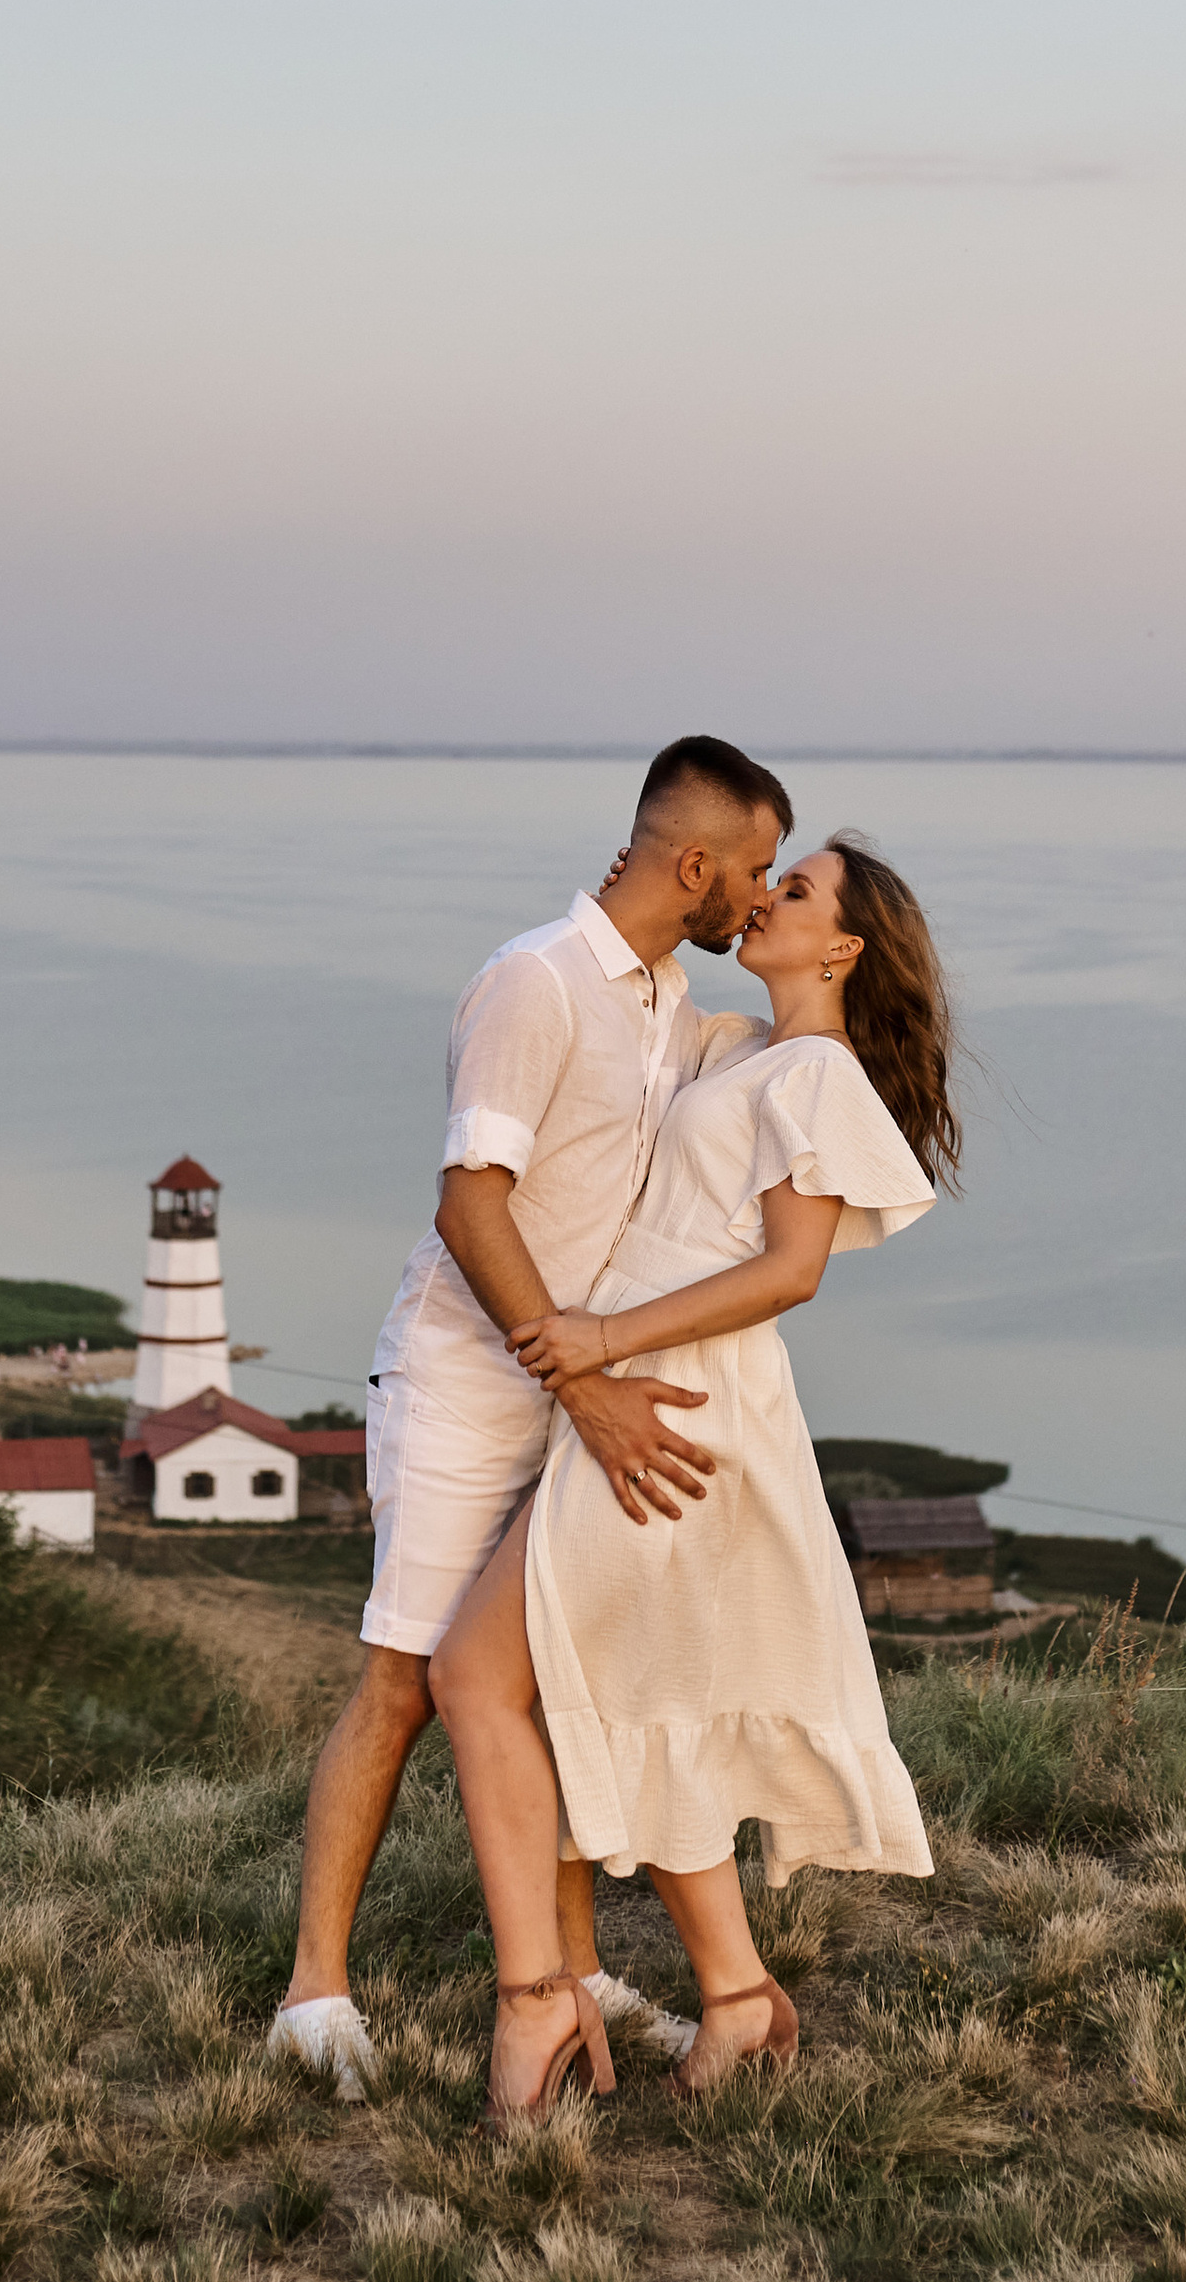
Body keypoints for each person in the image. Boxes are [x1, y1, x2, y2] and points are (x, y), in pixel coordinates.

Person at [266, 734, 796, 2097]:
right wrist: (588, 1388)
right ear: (694, 864)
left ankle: (573, 1968)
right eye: (756, 868)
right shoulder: (534, 982)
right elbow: (470, 1199)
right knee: (404, 1677)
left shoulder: (671, 1003)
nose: (763, 890)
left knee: (555, 1676)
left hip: (578, 1395)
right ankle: (315, 1989)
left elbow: (790, 1074)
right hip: (467, 1385)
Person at [429, 833, 961, 2123]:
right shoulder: (739, 1048)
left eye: (798, 890)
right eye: (771, 877)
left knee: (485, 1673)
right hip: (636, 1394)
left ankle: (550, 2006)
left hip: (680, 1401)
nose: (767, 900)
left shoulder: (820, 1077)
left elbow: (793, 1272)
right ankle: (728, 1995)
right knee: (634, 1692)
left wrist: (599, 1341)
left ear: (843, 946)